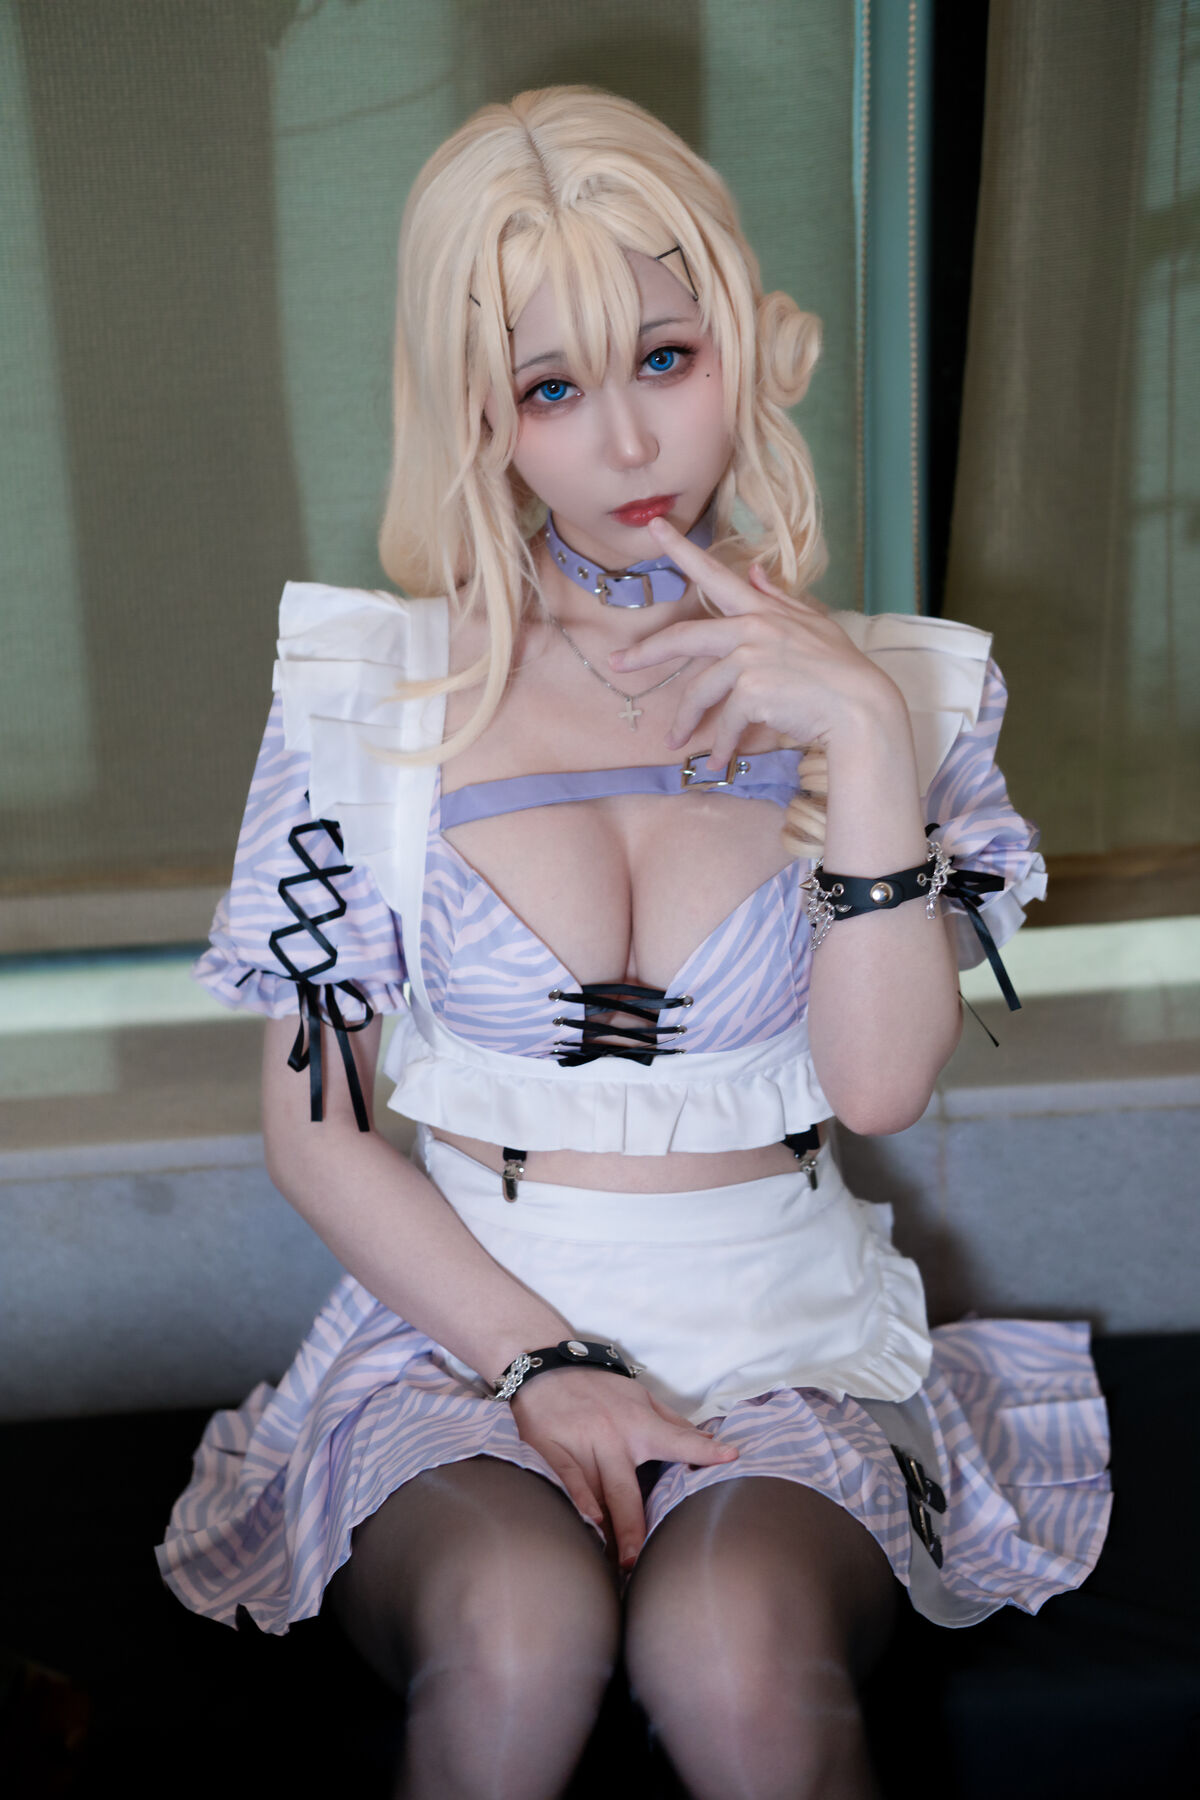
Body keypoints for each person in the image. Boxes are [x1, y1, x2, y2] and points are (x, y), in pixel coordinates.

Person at [157, 87, 1111, 1800]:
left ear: (743, 341)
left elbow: (879, 1087)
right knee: (518, 1635)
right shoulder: (366, 704)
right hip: (461, 1330)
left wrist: (862, 736)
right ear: (480, 411)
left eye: (666, 358)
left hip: (791, 1330)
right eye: (552, 389)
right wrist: (539, 1367)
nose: (626, 443)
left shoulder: (905, 693)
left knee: (737, 1654)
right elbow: (317, 1130)